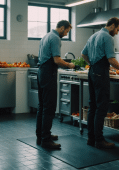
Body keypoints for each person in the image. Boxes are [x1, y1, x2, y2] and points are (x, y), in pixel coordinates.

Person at [81, 17, 119, 149]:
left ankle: (91, 138)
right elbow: (111, 60)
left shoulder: (94, 36)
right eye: (117, 29)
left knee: (93, 107)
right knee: (101, 107)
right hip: (100, 74)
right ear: (113, 25)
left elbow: (83, 54)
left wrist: (94, 65)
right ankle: (99, 140)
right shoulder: (108, 37)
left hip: (92, 72)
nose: (117, 33)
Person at [36, 20, 75, 149]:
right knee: (49, 107)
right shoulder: (55, 38)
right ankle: (46, 140)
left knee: (42, 106)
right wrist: (70, 65)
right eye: (67, 31)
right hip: (48, 74)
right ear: (62, 28)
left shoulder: (46, 36)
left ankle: (41, 135)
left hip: (41, 72)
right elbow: (57, 60)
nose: (66, 34)